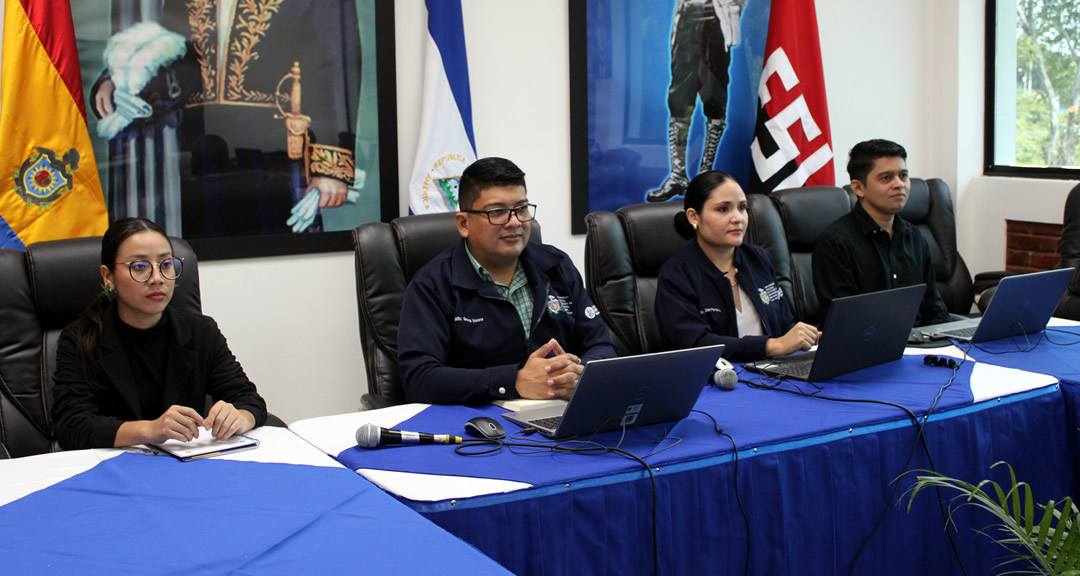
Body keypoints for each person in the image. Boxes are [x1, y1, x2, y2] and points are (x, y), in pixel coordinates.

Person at [398, 157, 617, 405]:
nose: (514, 222)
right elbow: (419, 379)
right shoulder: (432, 284)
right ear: (463, 223)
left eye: (521, 209)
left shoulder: (556, 266)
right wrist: (513, 382)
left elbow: (601, 345)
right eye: (497, 212)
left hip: (558, 410)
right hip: (477, 424)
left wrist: (577, 375)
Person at [51, 218, 267, 450]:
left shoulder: (201, 331)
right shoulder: (81, 338)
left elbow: (248, 399)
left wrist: (240, 417)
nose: (157, 278)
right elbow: (70, 426)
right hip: (116, 467)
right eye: (140, 266)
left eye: (165, 264)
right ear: (108, 277)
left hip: (186, 465)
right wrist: (151, 430)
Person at [656, 170, 819, 361]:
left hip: (775, 373)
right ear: (694, 217)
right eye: (723, 209)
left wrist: (808, 339)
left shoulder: (758, 258)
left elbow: (784, 324)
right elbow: (695, 345)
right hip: (717, 382)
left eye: (742, 208)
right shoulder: (676, 275)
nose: (738, 218)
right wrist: (772, 346)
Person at [812, 139, 951, 326]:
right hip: (867, 348)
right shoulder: (835, 243)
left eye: (903, 175)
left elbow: (934, 307)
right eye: (886, 178)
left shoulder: (915, 237)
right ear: (858, 188)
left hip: (920, 346)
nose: (899, 184)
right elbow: (843, 320)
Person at [647, 0, 744, 202]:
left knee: (715, 97)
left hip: (715, 17)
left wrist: (733, 9)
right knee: (679, 96)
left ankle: (705, 175)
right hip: (686, 17)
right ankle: (678, 175)